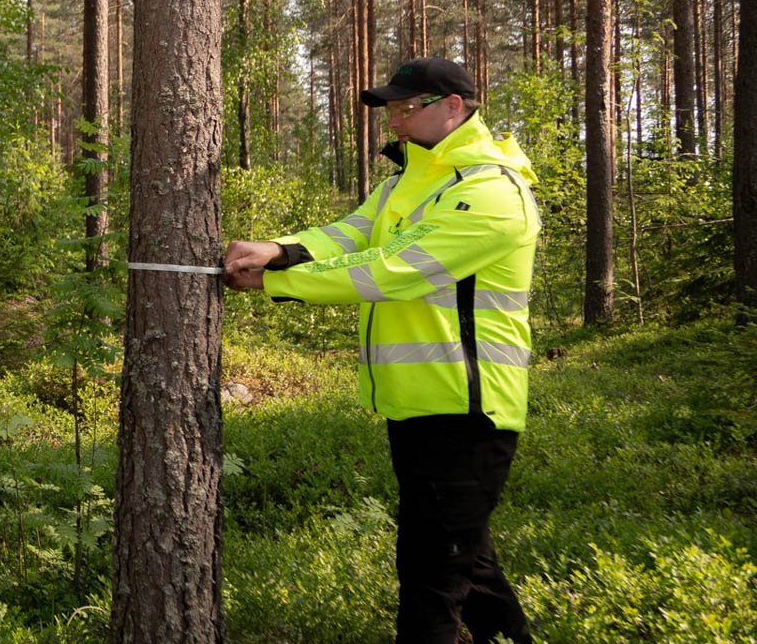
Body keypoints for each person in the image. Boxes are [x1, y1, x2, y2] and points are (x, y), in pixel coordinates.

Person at [223, 57, 539, 644]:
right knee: (468, 560)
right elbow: (352, 233)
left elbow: (397, 269)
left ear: (454, 107)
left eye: (405, 107)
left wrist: (277, 282)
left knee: (432, 573)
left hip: (469, 408)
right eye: (388, 108)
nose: (392, 119)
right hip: (414, 403)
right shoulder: (404, 182)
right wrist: (280, 249)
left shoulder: (492, 191)